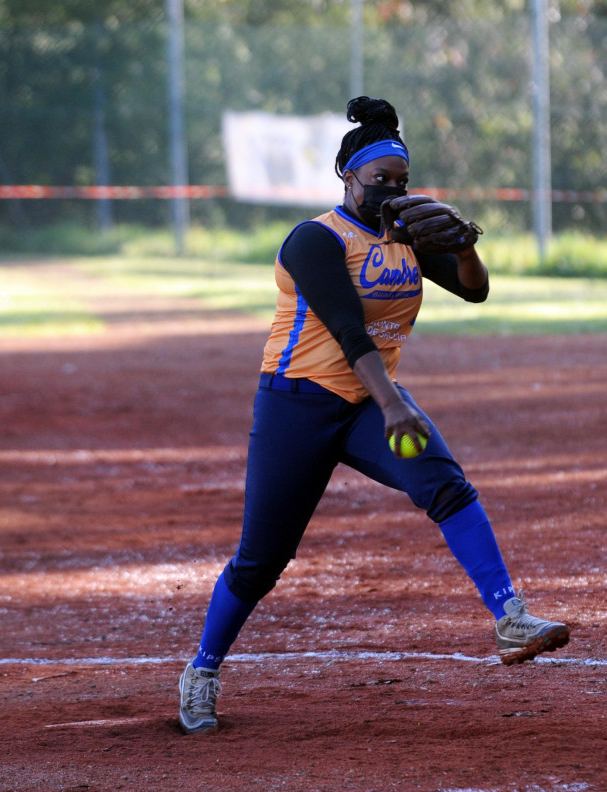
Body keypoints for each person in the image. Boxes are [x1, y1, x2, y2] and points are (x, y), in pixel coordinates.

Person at [177, 97, 569, 735]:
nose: (390, 191)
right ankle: (203, 669)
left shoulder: (406, 236)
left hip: (367, 405)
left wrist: (465, 243)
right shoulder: (314, 239)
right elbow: (348, 331)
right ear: (346, 177)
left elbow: (475, 289)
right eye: (377, 180)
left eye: (401, 182)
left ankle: (510, 617)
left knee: (443, 484)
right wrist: (394, 406)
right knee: (262, 559)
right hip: (298, 406)